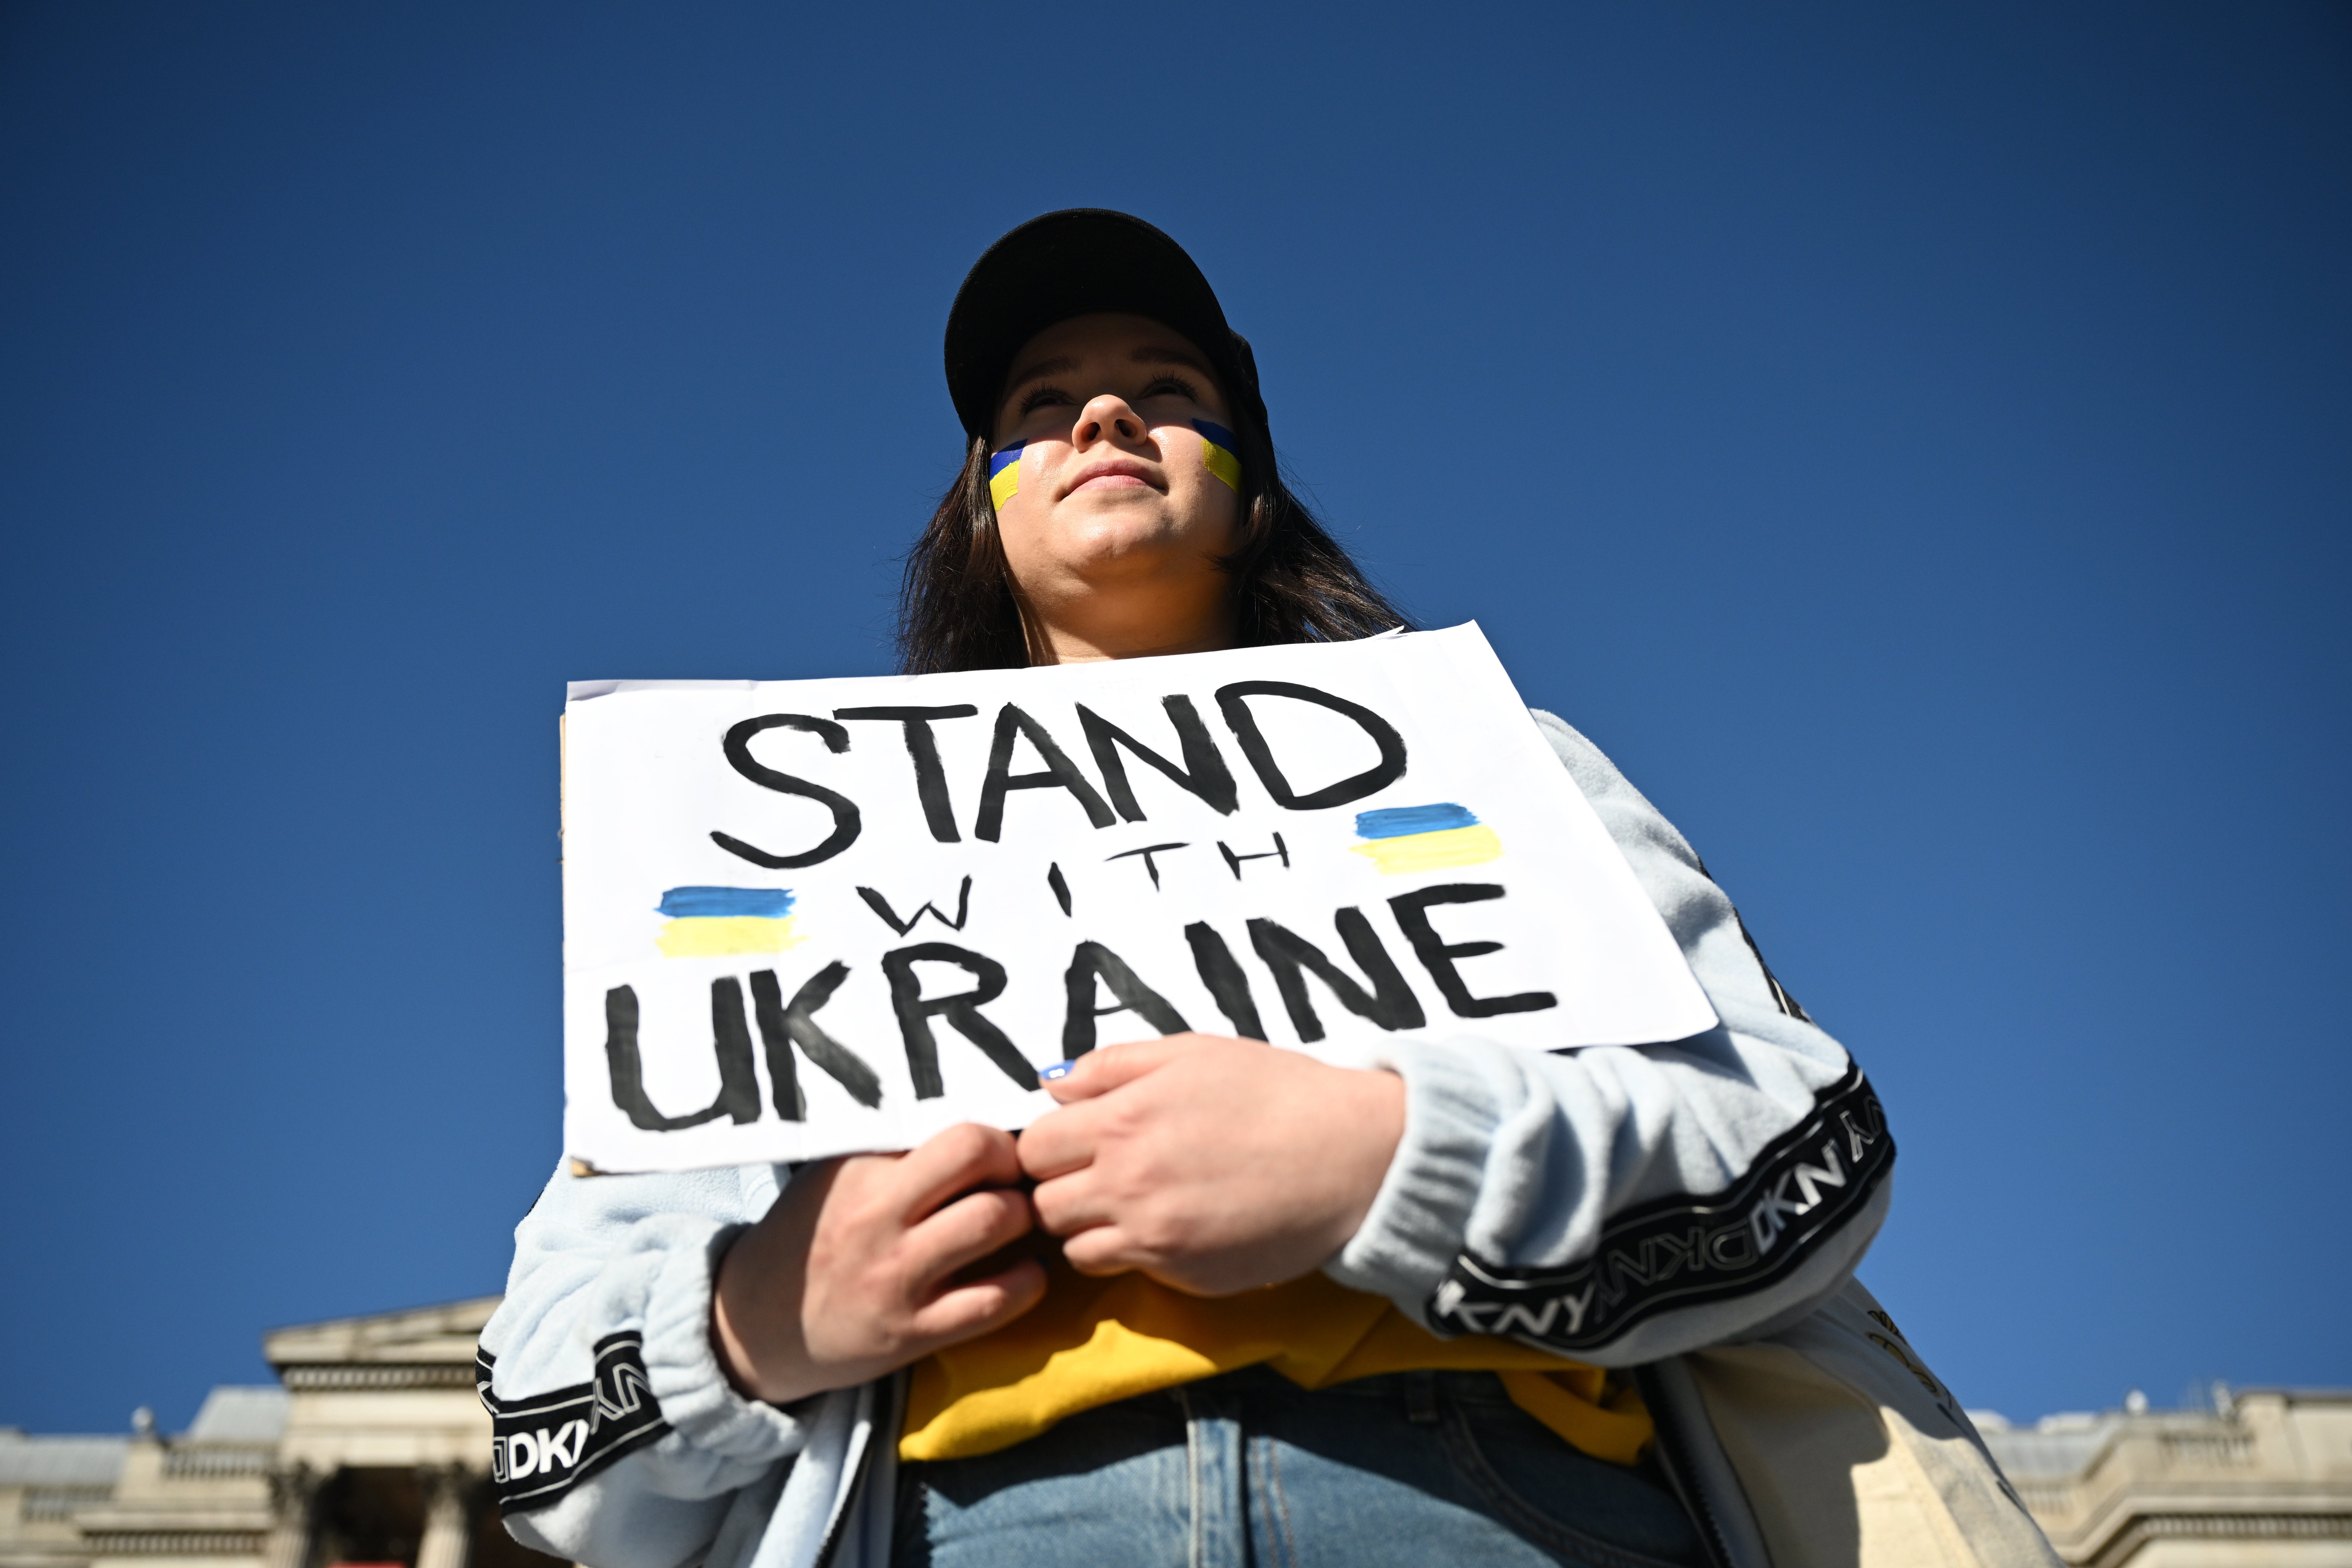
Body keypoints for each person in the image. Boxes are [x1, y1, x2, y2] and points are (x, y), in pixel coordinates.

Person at [478, 211, 1893, 1568]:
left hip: (1497, 1502)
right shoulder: (768, 845)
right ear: (981, 513)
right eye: (1041, 405)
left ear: (1252, 488)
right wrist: (756, 1323)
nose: (1102, 420)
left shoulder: (1494, 759)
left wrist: (1387, 1156)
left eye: (1168, 390)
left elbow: (1800, 1138)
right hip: (966, 1522)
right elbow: (543, 1422)